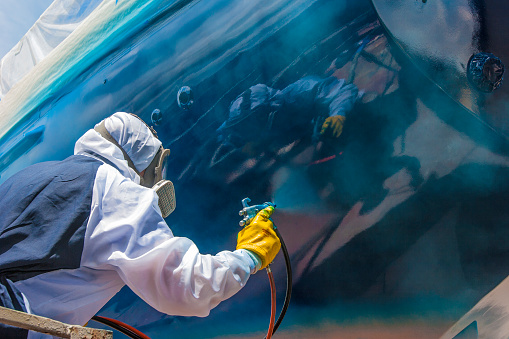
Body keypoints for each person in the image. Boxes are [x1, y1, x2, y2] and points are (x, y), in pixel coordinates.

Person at [0, 112, 280, 338]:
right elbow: (187, 285)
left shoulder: (31, 176)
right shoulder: (114, 190)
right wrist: (250, 254)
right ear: (144, 163)